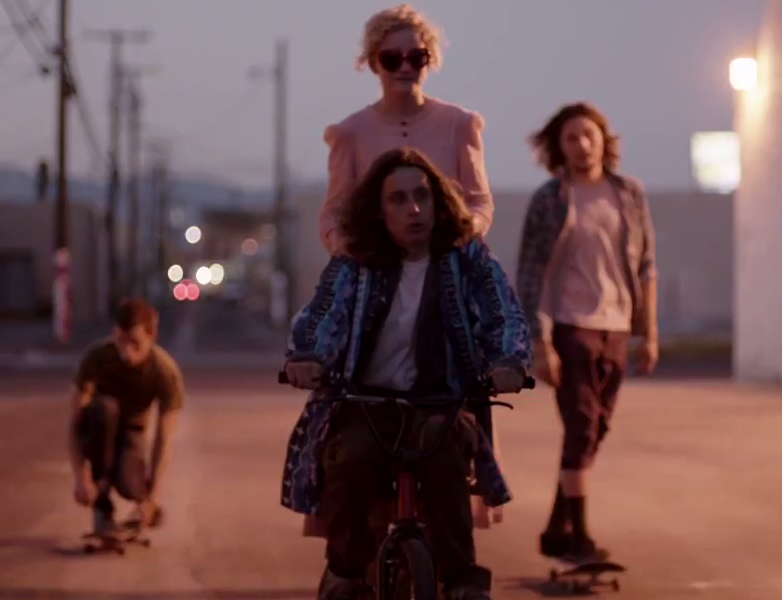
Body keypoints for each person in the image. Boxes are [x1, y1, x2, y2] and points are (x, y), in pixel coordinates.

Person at [281, 147, 531, 600]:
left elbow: (503, 314)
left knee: (445, 452)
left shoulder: (467, 258)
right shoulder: (355, 263)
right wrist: (308, 356)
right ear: (378, 210)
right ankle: (345, 572)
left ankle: (461, 581)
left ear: (438, 202)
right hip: (367, 403)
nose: (414, 208)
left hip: (442, 402)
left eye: (422, 196)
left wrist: (508, 361)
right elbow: (323, 315)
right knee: (350, 457)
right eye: (398, 199)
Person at [515, 102, 659, 563]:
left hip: (616, 325)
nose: (581, 145)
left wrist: (649, 334)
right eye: (571, 138)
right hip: (569, 324)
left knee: (596, 429)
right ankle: (579, 537)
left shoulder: (628, 193)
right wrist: (540, 343)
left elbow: (647, 266)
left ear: (603, 140)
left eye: (589, 135)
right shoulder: (550, 199)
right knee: (580, 427)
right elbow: (531, 272)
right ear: (559, 147)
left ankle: (556, 528)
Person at [319, 3, 494, 255]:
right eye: (391, 59)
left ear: (429, 61)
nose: (405, 68)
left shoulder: (461, 124)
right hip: (377, 266)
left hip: (447, 264)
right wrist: (348, 249)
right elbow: (333, 214)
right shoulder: (349, 133)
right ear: (373, 63)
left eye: (416, 58)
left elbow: (480, 202)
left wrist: (464, 234)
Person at [69, 298, 185, 535]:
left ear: (151, 337)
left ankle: (144, 507)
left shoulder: (164, 371)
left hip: (133, 430)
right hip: (100, 426)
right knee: (105, 408)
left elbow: (163, 440)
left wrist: (152, 499)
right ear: (114, 334)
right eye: (121, 341)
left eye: (135, 343)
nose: (127, 352)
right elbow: (75, 425)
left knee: (131, 486)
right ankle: (102, 507)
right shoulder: (97, 358)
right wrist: (81, 478)